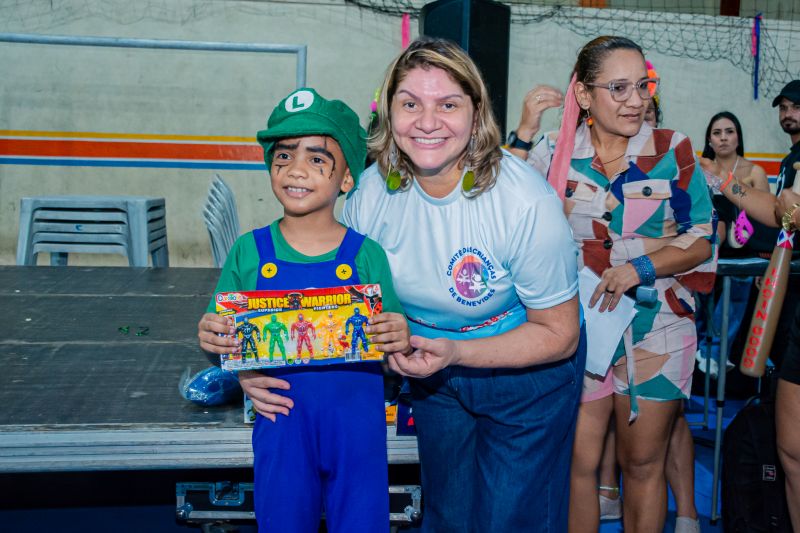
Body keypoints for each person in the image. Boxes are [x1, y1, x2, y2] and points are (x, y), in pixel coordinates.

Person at [343, 37, 585, 531]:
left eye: (448, 105)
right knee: (447, 514)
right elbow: (342, 295)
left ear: (476, 115)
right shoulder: (370, 193)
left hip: (527, 374)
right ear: (388, 112)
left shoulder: (524, 203)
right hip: (433, 371)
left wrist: (455, 351)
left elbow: (559, 335)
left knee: (508, 520)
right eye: (411, 104)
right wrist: (247, 349)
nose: (427, 122)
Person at [515, 36, 713, 532]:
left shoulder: (672, 149)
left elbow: (701, 239)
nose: (636, 100)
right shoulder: (554, 152)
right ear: (584, 94)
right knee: (579, 464)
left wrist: (639, 269)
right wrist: (524, 131)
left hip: (658, 326)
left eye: (643, 86)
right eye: (619, 88)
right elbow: (502, 209)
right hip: (578, 329)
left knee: (641, 463)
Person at [196, 88, 411, 533]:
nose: (296, 169)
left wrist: (398, 335)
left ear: (346, 179)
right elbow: (224, 340)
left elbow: (395, 352)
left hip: (357, 430)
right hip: (280, 423)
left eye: (317, 159)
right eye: (284, 156)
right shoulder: (248, 253)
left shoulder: (367, 255)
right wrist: (221, 348)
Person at [718, 79, 800, 530]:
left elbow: (790, 213)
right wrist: (727, 185)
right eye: (784, 107)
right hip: (793, 305)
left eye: (796, 107)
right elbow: (778, 214)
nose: (789, 114)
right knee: (790, 451)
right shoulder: (791, 161)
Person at [696, 111, 770, 378]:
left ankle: (716, 353)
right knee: (699, 304)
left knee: (734, 304)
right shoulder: (700, 169)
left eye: (729, 131)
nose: (724, 138)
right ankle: (699, 351)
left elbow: (766, 219)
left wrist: (765, 262)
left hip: (743, 253)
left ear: (738, 137)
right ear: (709, 139)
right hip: (706, 250)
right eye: (717, 133)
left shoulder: (754, 171)